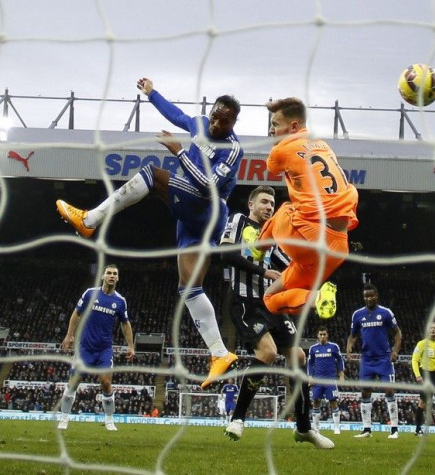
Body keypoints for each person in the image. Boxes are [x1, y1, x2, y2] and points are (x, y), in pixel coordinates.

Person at [56, 77, 243, 389]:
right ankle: (220, 353)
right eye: (213, 116)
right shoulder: (200, 124)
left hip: (207, 209)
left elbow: (207, 185)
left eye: (223, 122)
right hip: (191, 216)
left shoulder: (232, 149)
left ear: (232, 124)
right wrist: (152, 93)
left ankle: (89, 220)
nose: (215, 124)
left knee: (152, 176)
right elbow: (176, 115)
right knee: (189, 287)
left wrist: (179, 153)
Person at [220, 185, 334, 449]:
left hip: (271, 303)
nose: (269, 207)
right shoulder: (238, 220)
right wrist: (264, 273)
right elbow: (226, 254)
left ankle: (304, 428)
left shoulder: (274, 232)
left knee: (299, 357)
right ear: (251, 204)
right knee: (268, 352)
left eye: (272, 203)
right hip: (245, 301)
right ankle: (238, 418)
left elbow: (288, 266)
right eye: (264, 202)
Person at [259, 97, 359, 319]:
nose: (270, 130)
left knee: (284, 208)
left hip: (311, 238)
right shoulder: (324, 145)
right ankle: (317, 298)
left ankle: (258, 248)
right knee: (270, 299)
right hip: (337, 247)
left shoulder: (282, 149)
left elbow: (273, 167)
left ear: (293, 126)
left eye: (275, 124)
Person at [57, 264, 135, 431]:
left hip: (104, 350)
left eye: (115, 274)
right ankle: (64, 418)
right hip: (84, 347)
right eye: (109, 273)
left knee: (106, 383)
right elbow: (76, 313)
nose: (112, 276)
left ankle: (109, 420)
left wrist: (130, 345)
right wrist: (69, 335)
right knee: (74, 382)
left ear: (118, 278)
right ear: (103, 276)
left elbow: (125, 323)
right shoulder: (90, 293)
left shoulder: (120, 301)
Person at [346, 283, 402, 439]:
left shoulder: (385, 313)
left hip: (384, 358)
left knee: (389, 391)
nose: (369, 299)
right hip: (367, 359)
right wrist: (349, 346)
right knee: (365, 392)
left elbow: (397, 333)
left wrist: (395, 350)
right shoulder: (357, 314)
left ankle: (394, 429)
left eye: (371, 296)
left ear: (376, 295)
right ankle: (367, 429)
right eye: (366, 296)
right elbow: (353, 335)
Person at [307, 326, 345, 434]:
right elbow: (310, 363)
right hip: (317, 380)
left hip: (330, 380)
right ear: (317, 336)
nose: (322, 336)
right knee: (316, 401)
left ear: (327, 335)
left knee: (333, 401)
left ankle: (336, 427)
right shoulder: (313, 348)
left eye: (324, 334)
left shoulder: (334, 347)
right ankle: (316, 428)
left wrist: (341, 375)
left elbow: (340, 360)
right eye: (321, 334)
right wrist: (310, 377)